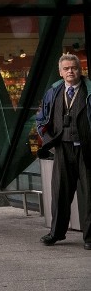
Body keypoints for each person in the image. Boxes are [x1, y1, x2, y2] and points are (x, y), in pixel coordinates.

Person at [36, 54, 91, 248]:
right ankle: (56, 233)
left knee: (90, 195)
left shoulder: (89, 90)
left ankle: (90, 237)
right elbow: (41, 118)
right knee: (60, 193)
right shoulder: (53, 91)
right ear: (60, 72)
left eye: (74, 68)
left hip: (87, 150)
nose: (70, 71)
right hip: (62, 148)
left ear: (80, 69)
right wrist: (48, 140)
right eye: (66, 68)